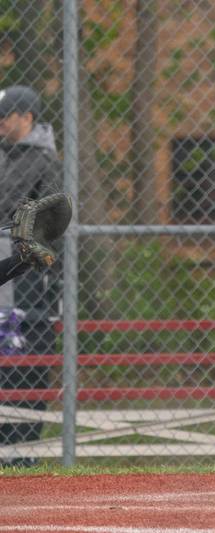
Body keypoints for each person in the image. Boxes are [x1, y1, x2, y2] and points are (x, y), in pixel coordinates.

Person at [0, 84, 62, 466]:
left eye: (6, 116)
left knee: (26, 360)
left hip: (27, 283)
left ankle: (22, 451)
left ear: (27, 117)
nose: (1, 122)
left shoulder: (45, 161)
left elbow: (53, 226)